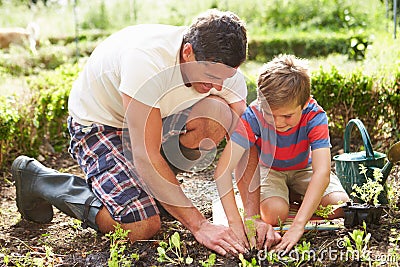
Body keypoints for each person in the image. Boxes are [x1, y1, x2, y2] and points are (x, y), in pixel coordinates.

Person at [11, 9, 278, 256]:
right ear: (187, 52)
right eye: (210, 76)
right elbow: (145, 154)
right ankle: (39, 180)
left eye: (225, 77)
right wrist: (200, 226)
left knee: (219, 114)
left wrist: (252, 218)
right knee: (141, 225)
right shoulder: (146, 61)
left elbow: (246, 143)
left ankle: (154, 191)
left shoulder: (221, 70)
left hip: (157, 119)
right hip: (100, 125)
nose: (218, 85)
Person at [213, 54, 349, 253]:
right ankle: (289, 195)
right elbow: (222, 172)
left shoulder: (315, 115)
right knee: (275, 214)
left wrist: (298, 225)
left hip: (304, 168)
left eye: (287, 116)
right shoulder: (254, 115)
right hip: (270, 170)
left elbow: (322, 172)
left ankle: (295, 193)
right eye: (270, 114)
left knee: (339, 207)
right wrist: (235, 223)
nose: (278, 123)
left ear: (304, 104)